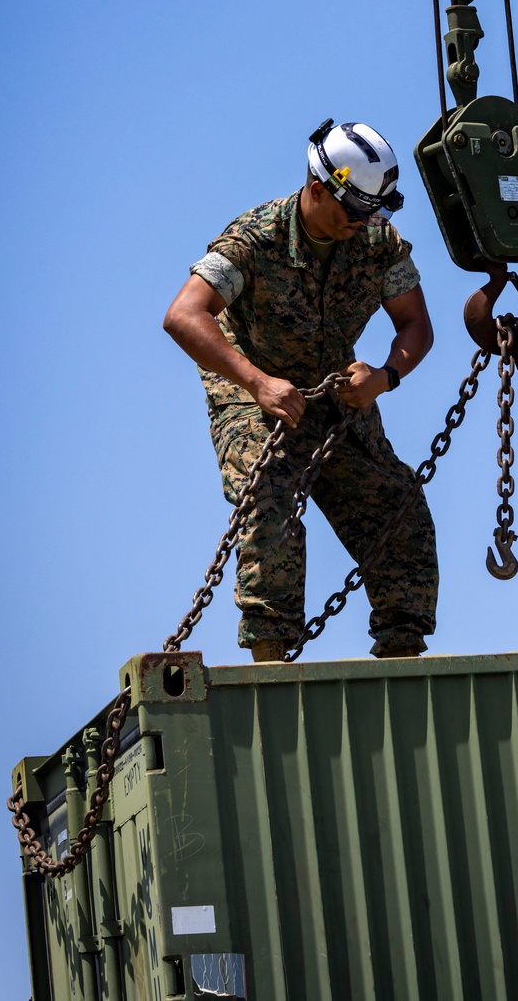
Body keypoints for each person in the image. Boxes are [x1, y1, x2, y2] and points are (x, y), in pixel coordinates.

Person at [163, 118, 437, 662]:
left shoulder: (376, 242)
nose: (363, 224)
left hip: (334, 391)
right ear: (317, 189)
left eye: (373, 213)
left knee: (398, 505)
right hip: (253, 389)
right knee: (270, 494)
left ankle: (403, 657)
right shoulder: (255, 238)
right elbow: (183, 315)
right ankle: (273, 658)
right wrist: (257, 383)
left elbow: (416, 325)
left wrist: (384, 378)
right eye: (354, 212)